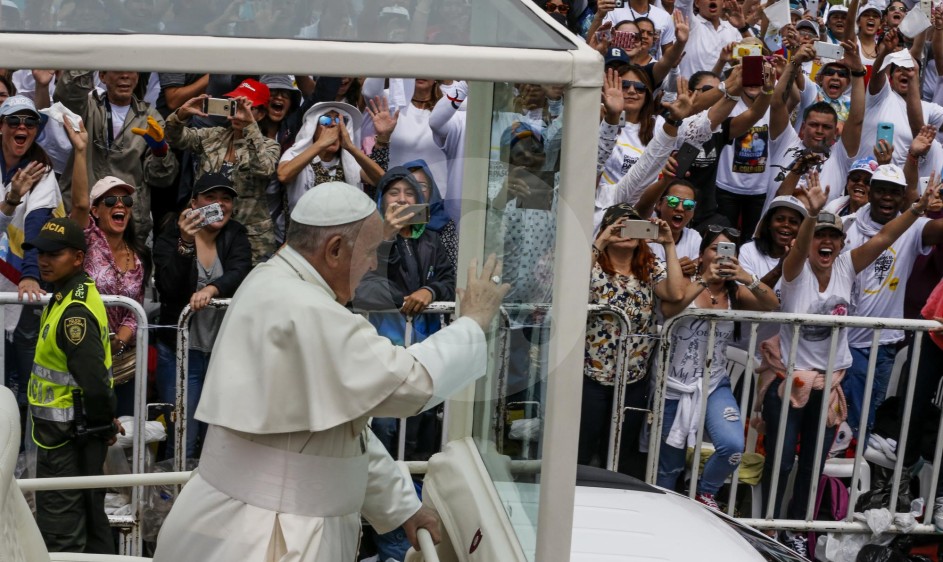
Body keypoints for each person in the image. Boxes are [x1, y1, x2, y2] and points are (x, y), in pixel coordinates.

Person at [152, 181, 509, 561]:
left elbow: (337, 429)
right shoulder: (307, 308)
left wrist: (403, 506)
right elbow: (409, 383)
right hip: (270, 537)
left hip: (245, 524)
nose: (374, 264)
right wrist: (472, 323)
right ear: (335, 250)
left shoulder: (270, 280)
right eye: (371, 251)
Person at [756, 171, 935, 556]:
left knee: (811, 465)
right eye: (819, 235)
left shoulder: (846, 266)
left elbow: (887, 237)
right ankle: (767, 527)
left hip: (828, 387)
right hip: (791, 384)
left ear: (841, 243)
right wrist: (811, 213)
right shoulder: (795, 271)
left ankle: (796, 533)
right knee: (783, 459)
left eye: (833, 237)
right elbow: (802, 245)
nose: (826, 242)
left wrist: (917, 208)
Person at [657, 224, 779, 508]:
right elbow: (668, 311)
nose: (720, 256)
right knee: (668, 468)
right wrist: (703, 280)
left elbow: (771, 303)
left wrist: (746, 277)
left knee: (733, 447)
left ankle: (704, 494)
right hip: (673, 386)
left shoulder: (737, 294)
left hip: (714, 384)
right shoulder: (683, 283)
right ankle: (663, 515)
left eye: (728, 251)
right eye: (715, 249)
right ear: (701, 255)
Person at [24, 216, 123, 554]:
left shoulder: (73, 311)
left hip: (67, 442)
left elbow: (94, 383)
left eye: (54, 254)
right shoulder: (69, 296)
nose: (43, 261)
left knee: (62, 536)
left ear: (78, 258)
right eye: (40, 253)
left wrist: (100, 423)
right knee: (91, 526)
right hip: (71, 436)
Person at [353, 167, 457, 460]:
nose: (401, 199)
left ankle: (413, 492)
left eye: (409, 192)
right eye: (394, 192)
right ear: (381, 199)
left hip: (425, 346)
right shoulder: (368, 238)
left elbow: (449, 280)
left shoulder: (432, 239)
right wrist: (386, 238)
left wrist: (430, 292)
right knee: (385, 425)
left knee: (422, 422)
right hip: (385, 347)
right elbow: (365, 286)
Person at [578, 203, 684, 474]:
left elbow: (675, 293)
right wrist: (600, 242)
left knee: (618, 454)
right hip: (591, 377)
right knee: (581, 448)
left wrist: (669, 245)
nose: (627, 232)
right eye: (620, 226)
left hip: (633, 378)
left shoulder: (648, 266)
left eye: (634, 226)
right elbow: (571, 285)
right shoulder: (593, 265)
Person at [153, 173, 252, 460]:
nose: (220, 204)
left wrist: (212, 288)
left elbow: (241, 270)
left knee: (217, 438)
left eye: (226, 199)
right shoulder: (171, 235)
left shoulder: (236, 234)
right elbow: (169, 288)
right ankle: (177, 496)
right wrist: (184, 242)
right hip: (181, 352)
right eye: (211, 198)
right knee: (183, 436)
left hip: (221, 353)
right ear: (194, 203)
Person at [63, 121, 148, 416]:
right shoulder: (86, 241)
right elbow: (78, 204)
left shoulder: (138, 258)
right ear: (97, 211)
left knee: (124, 442)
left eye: (125, 200)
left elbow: (133, 313)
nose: (119, 204)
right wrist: (81, 150)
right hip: (85, 358)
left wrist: (118, 344)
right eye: (110, 200)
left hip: (125, 366)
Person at [54, 69, 178, 245]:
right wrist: (87, 55)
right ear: (102, 76)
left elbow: (162, 179)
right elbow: (67, 94)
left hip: (128, 223)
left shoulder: (150, 117)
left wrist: (160, 151)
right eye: (117, 70)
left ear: (137, 77)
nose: (125, 75)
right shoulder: (86, 107)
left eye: (131, 71)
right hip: (82, 214)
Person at [0, 96, 66, 423]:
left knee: (27, 379)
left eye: (30, 122)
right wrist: (11, 199)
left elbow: (35, 227)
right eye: (14, 121)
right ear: (1, 127)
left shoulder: (42, 170)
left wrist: (30, 276)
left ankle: (29, 457)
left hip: (19, 284)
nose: (22, 127)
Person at [165, 79, 281, 264]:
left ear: (260, 114)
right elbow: (174, 138)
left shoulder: (269, 146)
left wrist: (249, 125)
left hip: (251, 239)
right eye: (233, 105)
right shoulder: (213, 135)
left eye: (246, 107)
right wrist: (181, 114)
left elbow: (264, 168)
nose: (238, 112)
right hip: (207, 231)